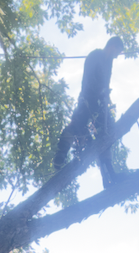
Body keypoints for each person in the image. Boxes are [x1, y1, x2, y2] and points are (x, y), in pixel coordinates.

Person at [53, 36, 125, 187]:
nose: (117, 56)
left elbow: (106, 82)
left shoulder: (109, 62)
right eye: (118, 51)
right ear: (112, 46)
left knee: (107, 132)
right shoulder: (95, 56)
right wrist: (99, 93)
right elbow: (88, 80)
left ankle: (109, 174)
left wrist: (106, 97)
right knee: (76, 124)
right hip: (88, 97)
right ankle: (60, 155)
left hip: (100, 102)